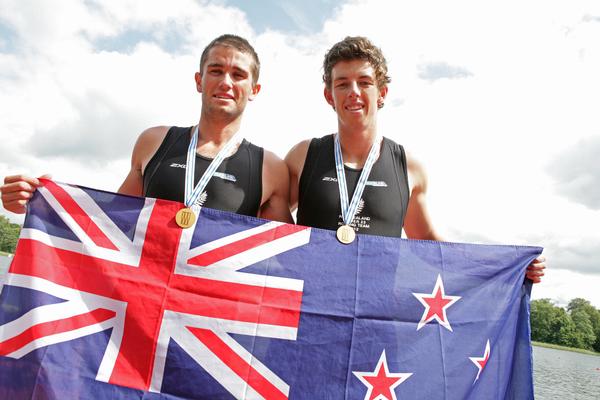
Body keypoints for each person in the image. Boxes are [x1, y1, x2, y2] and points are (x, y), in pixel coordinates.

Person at [285, 36, 545, 282]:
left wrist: (506, 267)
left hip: (375, 315)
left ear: (382, 93)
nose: (353, 91)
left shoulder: (408, 167)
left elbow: (427, 242)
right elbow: (265, 221)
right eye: (342, 83)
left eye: (364, 82)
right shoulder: (304, 155)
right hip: (309, 308)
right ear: (329, 95)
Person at [1, 34, 292, 224]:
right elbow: (111, 222)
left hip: (211, 313)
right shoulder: (154, 141)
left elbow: (285, 259)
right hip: (145, 307)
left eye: (238, 75)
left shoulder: (270, 167)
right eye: (216, 70)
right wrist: (39, 206)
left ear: (254, 89)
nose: (226, 82)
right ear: (199, 80)